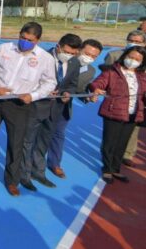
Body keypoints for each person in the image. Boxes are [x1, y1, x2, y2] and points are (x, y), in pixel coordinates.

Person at [0, 22, 57, 196]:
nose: (25, 42)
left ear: (38, 40)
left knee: (16, 143)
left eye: (30, 40)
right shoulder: (4, 48)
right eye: (22, 38)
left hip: (20, 104)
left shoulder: (45, 59)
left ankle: (12, 180)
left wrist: (33, 96)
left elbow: (50, 82)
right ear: (19, 35)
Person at [20, 34, 81, 192]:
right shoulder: (40, 57)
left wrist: (67, 93)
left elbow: (72, 84)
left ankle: (39, 172)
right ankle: (24, 175)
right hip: (36, 106)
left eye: (74, 54)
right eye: (67, 52)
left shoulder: (74, 63)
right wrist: (42, 92)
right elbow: (26, 80)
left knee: (43, 142)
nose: (70, 56)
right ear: (58, 46)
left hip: (56, 109)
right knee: (28, 142)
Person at [89, 46, 146, 184]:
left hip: (133, 114)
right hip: (113, 112)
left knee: (122, 143)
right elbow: (98, 83)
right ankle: (107, 170)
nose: (133, 61)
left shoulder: (141, 76)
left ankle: (115, 169)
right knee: (110, 142)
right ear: (125, 56)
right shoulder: (112, 72)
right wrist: (96, 89)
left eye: (137, 59)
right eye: (131, 57)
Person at [48, 39, 103, 178]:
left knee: (58, 135)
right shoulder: (60, 59)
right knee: (36, 135)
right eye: (87, 53)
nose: (89, 58)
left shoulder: (90, 70)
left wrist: (87, 97)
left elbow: (79, 90)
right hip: (44, 103)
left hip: (64, 106)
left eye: (94, 56)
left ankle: (54, 163)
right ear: (79, 50)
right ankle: (30, 165)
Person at [105, 30, 146, 168]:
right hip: (116, 103)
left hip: (138, 102)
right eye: (131, 40)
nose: (133, 43)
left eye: (138, 41)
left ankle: (127, 154)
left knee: (133, 130)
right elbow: (105, 76)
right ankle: (108, 162)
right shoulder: (113, 55)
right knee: (112, 134)